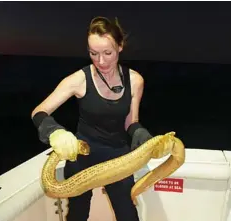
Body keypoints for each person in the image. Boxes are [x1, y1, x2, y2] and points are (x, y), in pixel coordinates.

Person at [31, 16, 153, 221]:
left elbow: (131, 121)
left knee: (128, 214)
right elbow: (39, 111)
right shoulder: (78, 79)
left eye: (108, 53)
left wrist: (138, 131)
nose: (101, 61)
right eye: (93, 53)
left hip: (117, 156)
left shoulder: (135, 80)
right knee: (78, 213)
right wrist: (54, 131)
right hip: (82, 154)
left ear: (120, 47)